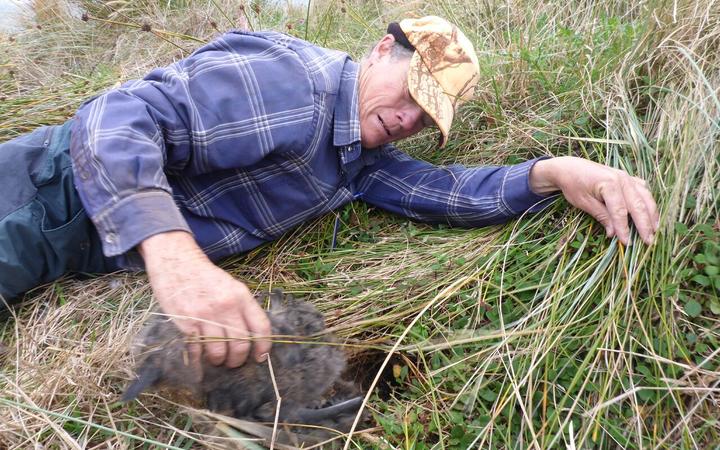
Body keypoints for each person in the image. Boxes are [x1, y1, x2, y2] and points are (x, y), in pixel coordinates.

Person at [0, 16, 658, 369]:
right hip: (47, 191)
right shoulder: (296, 90)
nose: (408, 121)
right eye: (410, 97)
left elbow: (448, 193)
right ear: (380, 51)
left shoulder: (355, 158)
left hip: (78, 235)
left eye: (426, 119)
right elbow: (118, 118)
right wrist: (176, 261)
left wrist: (559, 171)